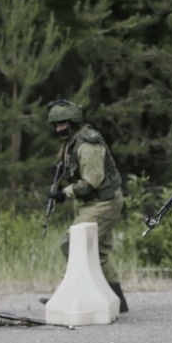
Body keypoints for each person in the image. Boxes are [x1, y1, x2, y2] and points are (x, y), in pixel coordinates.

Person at [45, 99, 129, 312]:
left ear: (73, 122)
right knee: (98, 254)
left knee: (73, 243)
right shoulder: (71, 142)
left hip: (103, 202)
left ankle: (68, 294)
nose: (58, 128)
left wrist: (65, 193)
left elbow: (93, 180)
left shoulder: (88, 145)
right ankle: (118, 302)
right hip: (95, 202)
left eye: (62, 124)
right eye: (56, 125)